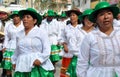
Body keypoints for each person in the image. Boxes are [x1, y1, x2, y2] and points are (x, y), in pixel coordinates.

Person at [76, 1, 120, 77]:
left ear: (113, 16)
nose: (106, 17)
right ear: (96, 19)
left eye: (109, 13)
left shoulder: (118, 34)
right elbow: (82, 61)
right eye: (101, 14)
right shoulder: (90, 37)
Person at [11, 8, 54, 77]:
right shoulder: (19, 34)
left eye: (28, 17)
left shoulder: (41, 32)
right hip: (22, 65)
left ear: (34, 21)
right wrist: (14, 61)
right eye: (24, 17)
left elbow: (47, 49)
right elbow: (17, 50)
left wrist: (41, 59)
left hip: (37, 65)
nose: (25, 19)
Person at [59, 8, 82, 77]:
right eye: (70, 15)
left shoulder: (82, 27)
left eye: (74, 15)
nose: (72, 17)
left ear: (78, 16)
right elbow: (61, 38)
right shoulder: (66, 28)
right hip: (68, 54)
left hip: (79, 55)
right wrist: (64, 45)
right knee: (66, 74)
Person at [1, 11, 24, 77]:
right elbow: (7, 37)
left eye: (17, 16)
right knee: (8, 66)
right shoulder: (9, 26)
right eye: (14, 16)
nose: (15, 18)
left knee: (19, 67)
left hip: (21, 47)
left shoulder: (23, 25)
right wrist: (4, 47)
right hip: (10, 47)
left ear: (20, 17)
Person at [0, 6, 12, 77]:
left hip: (7, 45)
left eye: (3, 14)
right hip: (1, 44)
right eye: (0, 14)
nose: (1, 16)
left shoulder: (11, 23)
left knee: (6, 63)